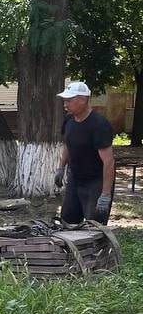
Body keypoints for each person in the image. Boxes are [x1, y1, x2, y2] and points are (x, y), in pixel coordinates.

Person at [54, 81, 115, 225]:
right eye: (65, 101)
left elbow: (109, 161)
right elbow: (68, 145)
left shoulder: (99, 124)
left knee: (94, 227)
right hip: (75, 179)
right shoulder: (69, 120)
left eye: (69, 101)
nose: (65, 104)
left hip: (96, 183)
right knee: (67, 222)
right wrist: (61, 168)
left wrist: (105, 194)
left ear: (83, 99)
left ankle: (97, 248)